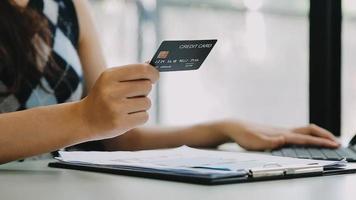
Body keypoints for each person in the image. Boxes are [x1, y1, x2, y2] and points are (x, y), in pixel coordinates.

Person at [0, 0, 340, 164]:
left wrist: (225, 129)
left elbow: (114, 138)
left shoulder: (69, 7)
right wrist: (84, 117)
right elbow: (89, 119)